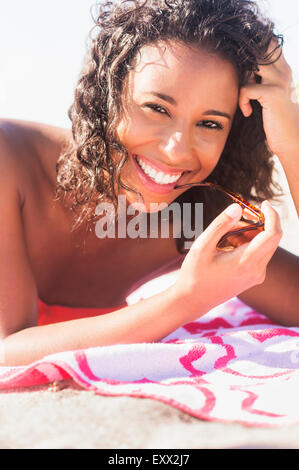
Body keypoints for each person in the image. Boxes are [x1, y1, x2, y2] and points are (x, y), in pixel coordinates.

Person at [1, 0, 298, 366]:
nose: (176, 151)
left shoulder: (195, 220)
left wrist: (290, 140)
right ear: (107, 94)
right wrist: (186, 300)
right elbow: (7, 348)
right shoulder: (9, 161)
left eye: (209, 124)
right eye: (157, 108)